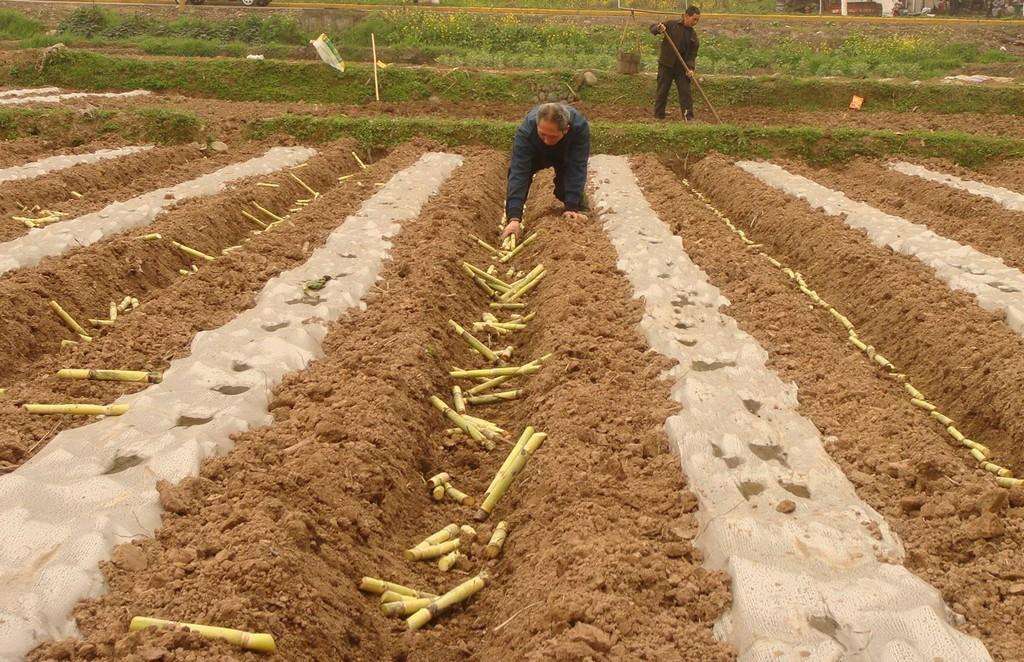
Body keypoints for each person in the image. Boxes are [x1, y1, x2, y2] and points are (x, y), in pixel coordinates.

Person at [501, 102, 590, 240]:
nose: (547, 141)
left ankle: (580, 207)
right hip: (535, 154)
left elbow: (577, 166)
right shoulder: (526, 131)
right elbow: (519, 173)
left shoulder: (579, 128)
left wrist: (571, 206)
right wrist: (514, 218)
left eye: (552, 136)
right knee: (517, 176)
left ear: (566, 129)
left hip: (564, 154)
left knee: (565, 191)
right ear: (536, 125)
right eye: (542, 135)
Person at [651, 6, 701, 122]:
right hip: (666, 65)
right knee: (662, 91)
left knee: (685, 92)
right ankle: (659, 116)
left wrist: (690, 69)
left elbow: (692, 56)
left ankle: (688, 117)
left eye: (697, 20)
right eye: (694, 19)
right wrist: (659, 28)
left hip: (682, 68)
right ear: (686, 16)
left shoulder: (693, 37)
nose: (695, 22)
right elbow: (652, 28)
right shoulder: (671, 24)